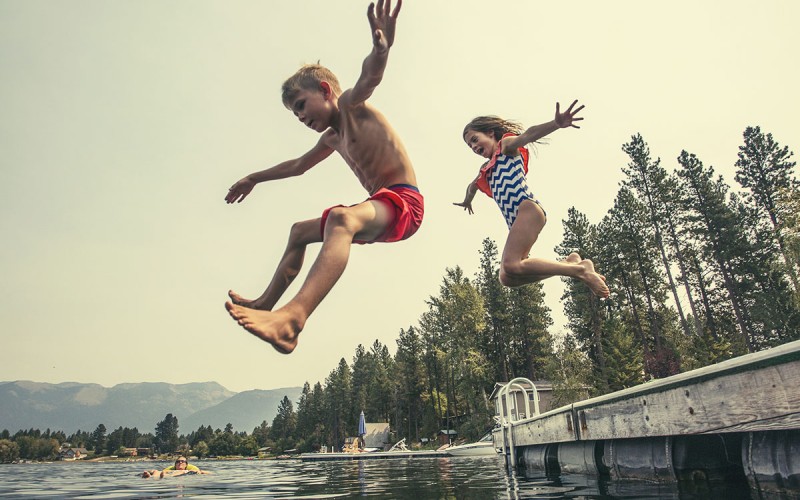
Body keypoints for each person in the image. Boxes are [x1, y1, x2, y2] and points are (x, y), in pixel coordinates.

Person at [224, 0, 422, 354]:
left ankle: (293, 319)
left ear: (326, 91)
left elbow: (370, 77)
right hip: (380, 205)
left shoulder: (351, 107)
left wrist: (382, 49)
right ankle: (266, 304)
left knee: (342, 218)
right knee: (299, 232)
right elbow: (297, 165)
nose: (299, 116)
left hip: (404, 202)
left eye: (300, 105)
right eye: (293, 113)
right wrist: (253, 177)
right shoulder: (332, 137)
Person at [454, 100, 609, 298]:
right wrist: (467, 200)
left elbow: (528, 135)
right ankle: (570, 266)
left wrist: (556, 124)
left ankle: (581, 270)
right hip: (517, 219)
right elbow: (473, 186)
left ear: (491, 133)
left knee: (510, 264)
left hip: (526, 208)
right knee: (508, 277)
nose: (474, 146)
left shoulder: (505, 147)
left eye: (475, 139)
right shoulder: (485, 170)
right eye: (470, 146)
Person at [141, 456, 210, 478]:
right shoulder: (170, 468)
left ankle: (163, 477)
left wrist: (199, 472)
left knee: (181, 471)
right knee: (156, 471)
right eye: (178, 462)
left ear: (186, 464)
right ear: (175, 464)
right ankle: (150, 477)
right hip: (167, 473)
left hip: (178, 474)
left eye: (182, 461)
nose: (180, 463)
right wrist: (152, 471)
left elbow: (204, 472)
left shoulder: (190, 469)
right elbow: (160, 471)